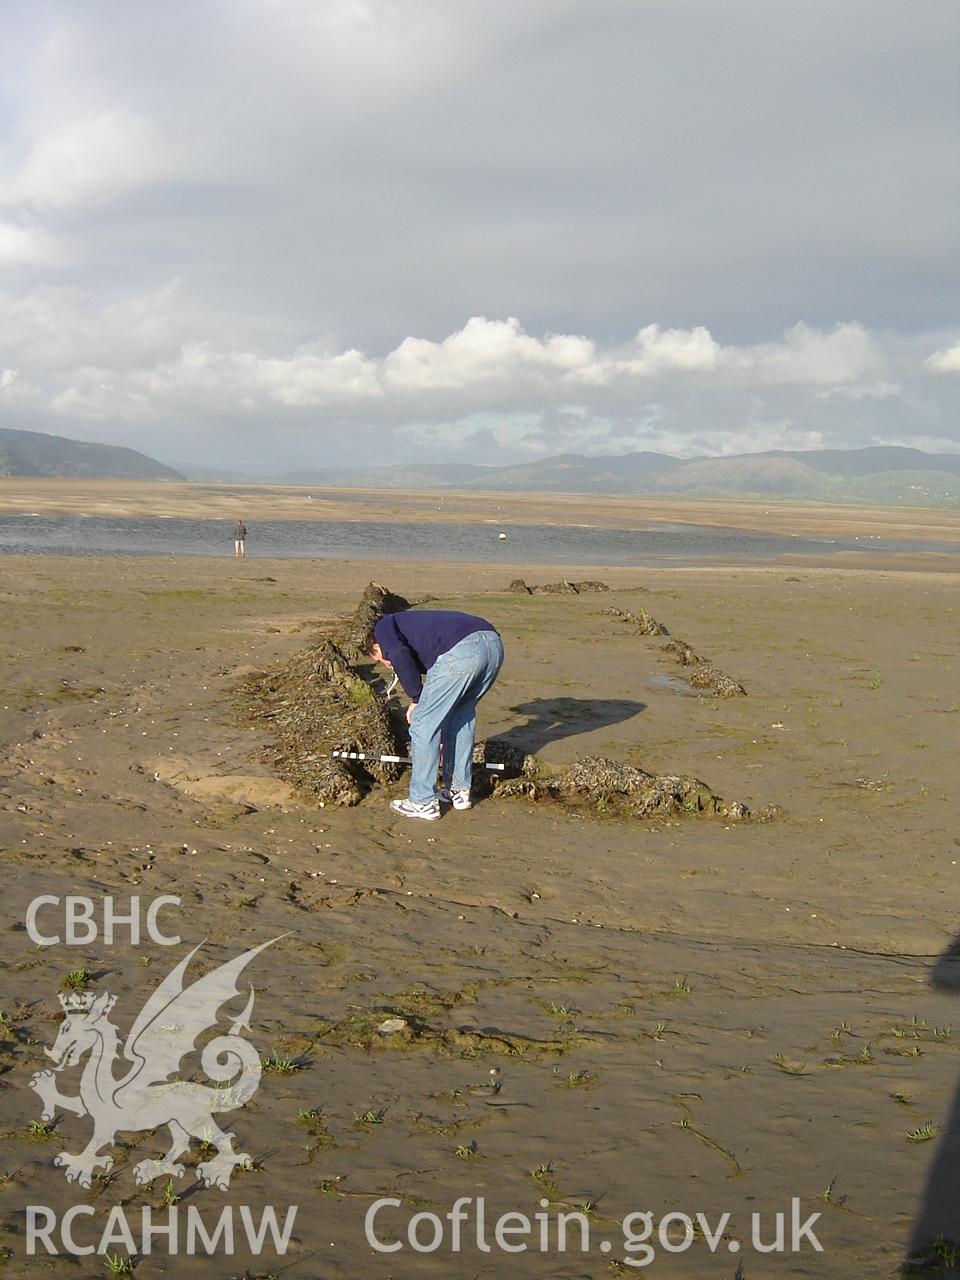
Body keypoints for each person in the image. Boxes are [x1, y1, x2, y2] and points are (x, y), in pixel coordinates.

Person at [367, 610, 504, 821]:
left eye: (380, 660)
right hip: (493, 645)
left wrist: (416, 698)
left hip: (462, 651)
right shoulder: (415, 629)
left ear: (376, 645)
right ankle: (459, 791)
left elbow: (398, 653)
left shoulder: (383, 626)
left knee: (422, 722)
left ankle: (422, 802)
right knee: (461, 716)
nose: (388, 664)